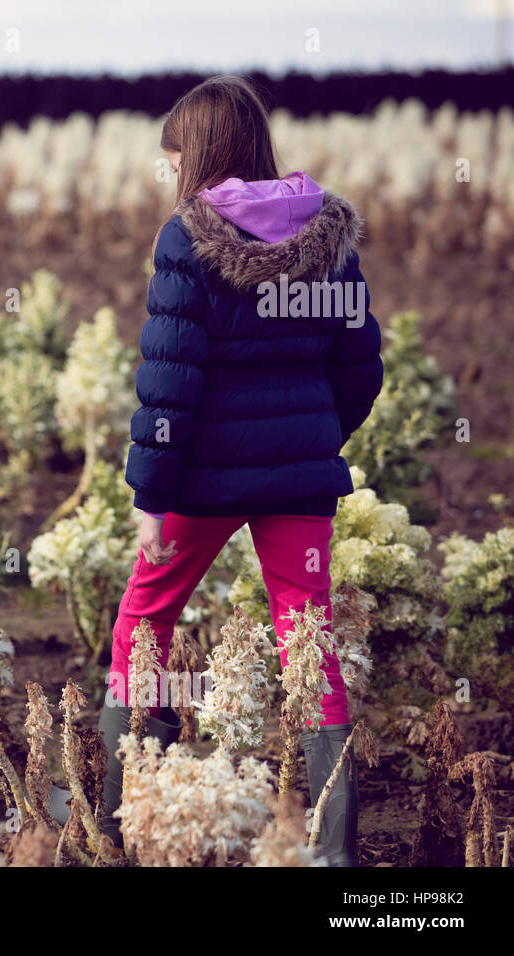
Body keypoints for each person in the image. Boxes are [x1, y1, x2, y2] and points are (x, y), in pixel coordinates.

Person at [101, 75, 383, 866]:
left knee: (144, 620)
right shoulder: (330, 237)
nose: (172, 171)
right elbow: (360, 367)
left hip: (199, 478)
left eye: (176, 154)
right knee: (309, 638)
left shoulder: (186, 239)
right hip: (299, 483)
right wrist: (311, 437)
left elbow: (169, 378)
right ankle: (333, 850)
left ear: (202, 152)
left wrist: (151, 492)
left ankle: (124, 806)